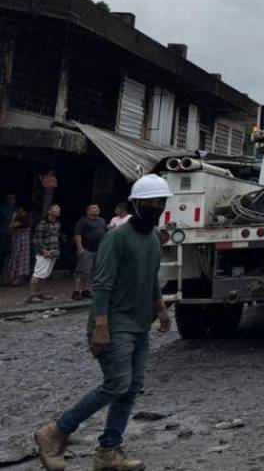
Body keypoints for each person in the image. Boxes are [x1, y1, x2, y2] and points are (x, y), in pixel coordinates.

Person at [34, 173, 173, 471]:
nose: (156, 207)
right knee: (117, 384)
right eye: (150, 202)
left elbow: (150, 278)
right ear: (136, 204)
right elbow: (103, 283)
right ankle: (55, 432)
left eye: (161, 202)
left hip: (139, 325)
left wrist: (160, 309)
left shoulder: (153, 239)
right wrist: (100, 325)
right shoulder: (117, 238)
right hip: (113, 323)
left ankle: (109, 450)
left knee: (132, 386)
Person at [28, 204, 61, 304]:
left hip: (53, 252)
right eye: (55, 209)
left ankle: (39, 293)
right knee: (38, 274)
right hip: (44, 253)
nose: (58, 211)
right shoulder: (43, 223)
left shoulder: (57, 223)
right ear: (49, 211)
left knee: (45, 274)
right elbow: (37, 239)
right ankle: (31, 295)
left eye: (58, 209)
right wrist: (44, 250)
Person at [73, 204, 108, 300]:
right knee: (82, 270)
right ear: (88, 211)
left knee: (92, 272)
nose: (97, 209)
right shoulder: (83, 221)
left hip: (99, 250)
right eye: (94, 208)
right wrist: (80, 248)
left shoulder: (102, 221)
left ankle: (86, 289)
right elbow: (77, 234)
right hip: (87, 249)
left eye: (98, 207)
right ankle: (76, 290)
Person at [5, 207, 31, 286]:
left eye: (20, 210)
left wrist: (13, 216)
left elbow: (11, 226)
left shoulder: (24, 219)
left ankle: (17, 279)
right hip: (19, 239)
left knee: (19, 258)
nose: (19, 211)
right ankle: (14, 278)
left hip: (21, 239)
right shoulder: (24, 218)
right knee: (16, 258)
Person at [0, 193, 15, 284]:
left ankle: (5, 275)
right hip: (3, 233)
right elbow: (9, 217)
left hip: (9, 234)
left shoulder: (12, 209)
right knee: (2, 253)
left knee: (7, 253)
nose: (13, 201)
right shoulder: (3, 209)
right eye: (11, 199)